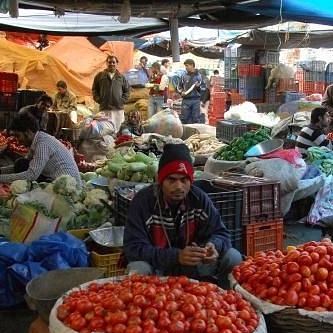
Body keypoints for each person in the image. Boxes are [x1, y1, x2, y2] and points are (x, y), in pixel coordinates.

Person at [123, 143, 243, 289]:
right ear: (160, 180)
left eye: (184, 180)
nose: (178, 186)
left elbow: (221, 233)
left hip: (194, 267)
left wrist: (212, 246)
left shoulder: (199, 198)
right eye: (171, 180)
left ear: (190, 181)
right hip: (158, 269)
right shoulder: (143, 202)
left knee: (233, 257)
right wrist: (176, 256)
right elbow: (133, 249)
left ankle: (226, 302)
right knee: (138, 268)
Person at [0, 113, 82, 187]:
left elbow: (31, 175)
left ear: (27, 132)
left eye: (18, 136)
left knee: (25, 170)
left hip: (67, 186)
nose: (17, 140)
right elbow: (23, 166)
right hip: (53, 178)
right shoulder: (37, 139)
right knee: (21, 163)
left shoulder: (42, 143)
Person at [92, 55, 130, 130]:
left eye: (113, 62)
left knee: (118, 129)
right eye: (109, 62)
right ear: (106, 63)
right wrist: (99, 99)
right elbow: (94, 90)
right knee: (105, 129)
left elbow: (127, 91)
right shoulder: (99, 76)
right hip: (105, 108)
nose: (111, 64)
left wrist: (121, 100)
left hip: (118, 109)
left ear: (117, 64)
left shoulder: (121, 77)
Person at [178, 59, 204, 124]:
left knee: (196, 119)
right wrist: (181, 92)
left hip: (196, 100)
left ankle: (195, 134)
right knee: (184, 118)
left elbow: (203, 89)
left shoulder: (199, 76)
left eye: (187, 65)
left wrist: (198, 87)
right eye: (185, 66)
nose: (186, 67)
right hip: (186, 101)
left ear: (192, 65)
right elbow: (178, 87)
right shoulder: (183, 76)